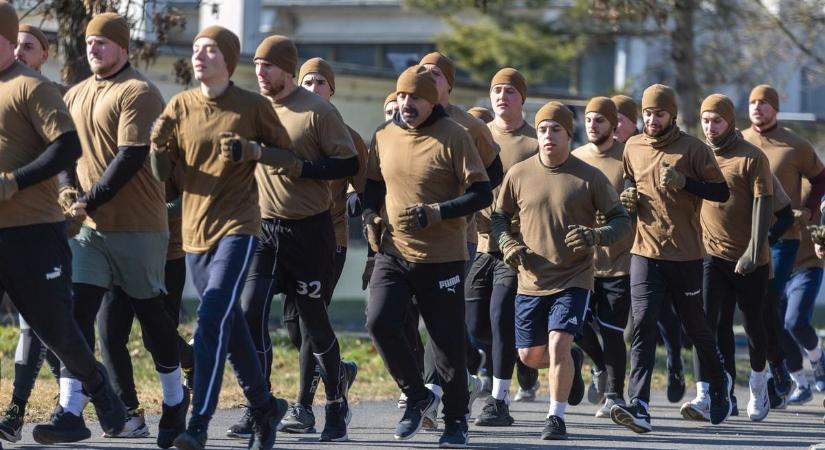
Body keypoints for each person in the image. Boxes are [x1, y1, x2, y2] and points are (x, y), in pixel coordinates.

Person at [33, 13, 187, 447]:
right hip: (89, 231)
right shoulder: (76, 92)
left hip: (137, 226)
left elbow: (130, 157)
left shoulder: (139, 91)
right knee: (76, 315)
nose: (93, 49)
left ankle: (175, 402)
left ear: (123, 47)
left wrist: (87, 200)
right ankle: (70, 410)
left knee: (152, 317)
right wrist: (67, 193)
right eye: (90, 42)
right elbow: (63, 151)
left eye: (103, 42)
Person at [149, 25, 292, 450]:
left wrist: (254, 152)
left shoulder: (250, 106)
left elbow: (290, 158)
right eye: (195, 49)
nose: (199, 56)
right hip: (194, 233)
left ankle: (199, 423)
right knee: (228, 325)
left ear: (228, 59)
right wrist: (158, 149)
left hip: (239, 227)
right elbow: (162, 178)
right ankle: (265, 406)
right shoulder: (179, 105)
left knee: (210, 317)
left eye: (209, 49)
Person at [0, 1, 126, 443]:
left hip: (34, 235)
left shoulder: (32, 88)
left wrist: (14, 182)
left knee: (57, 331)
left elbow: (67, 148)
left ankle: (104, 399)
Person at [232, 35, 359, 443]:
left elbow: (348, 162)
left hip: (309, 230)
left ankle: (335, 405)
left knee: (313, 323)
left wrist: (302, 169)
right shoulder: (253, 109)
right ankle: (261, 405)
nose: (260, 72)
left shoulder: (317, 111)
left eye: (267, 65)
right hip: (263, 230)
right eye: (256, 65)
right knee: (250, 311)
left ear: (287, 68)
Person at [364, 65, 492, 448]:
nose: (406, 104)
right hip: (393, 251)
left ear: (431, 100)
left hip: (442, 257)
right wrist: (371, 215)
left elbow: (481, 193)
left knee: (447, 343)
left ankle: (455, 420)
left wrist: (438, 212)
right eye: (401, 96)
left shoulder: (454, 135)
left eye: (414, 98)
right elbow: (372, 185)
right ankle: (417, 395)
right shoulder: (384, 135)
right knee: (379, 322)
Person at [491, 100, 631, 440]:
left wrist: (596, 236)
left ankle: (556, 417)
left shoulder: (590, 177)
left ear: (569, 135)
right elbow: (499, 217)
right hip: (531, 278)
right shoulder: (519, 173)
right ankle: (573, 362)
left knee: (557, 344)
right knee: (529, 355)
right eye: (542, 130)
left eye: (556, 129)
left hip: (574, 276)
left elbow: (620, 220)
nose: (548, 135)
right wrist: (507, 244)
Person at [611, 84, 732, 434]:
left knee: (696, 329)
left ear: (672, 116)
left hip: (686, 255)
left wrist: (685, 183)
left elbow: (721, 191)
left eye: (658, 114)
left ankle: (720, 383)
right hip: (644, 252)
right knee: (643, 326)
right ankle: (640, 405)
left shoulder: (693, 149)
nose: (651, 119)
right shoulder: (632, 146)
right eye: (647, 113)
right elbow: (630, 182)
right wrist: (628, 197)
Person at [266, 56, 367, 435]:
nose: (313, 87)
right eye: (307, 80)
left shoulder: (344, 132)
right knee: (294, 326)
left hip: (331, 239)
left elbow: (364, 183)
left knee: (310, 324)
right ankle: (338, 373)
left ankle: (303, 407)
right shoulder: (285, 123)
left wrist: (360, 200)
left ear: (332, 90)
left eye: (321, 82)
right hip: (283, 236)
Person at [419, 51, 503, 430]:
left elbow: (494, 173)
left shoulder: (469, 126)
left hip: (459, 237)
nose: (426, 77)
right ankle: (469, 360)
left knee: (439, 315)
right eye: (421, 71)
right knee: (428, 317)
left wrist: (462, 202)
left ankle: (429, 396)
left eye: (434, 73)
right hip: (409, 238)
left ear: (448, 84)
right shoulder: (406, 119)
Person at [683, 94, 774, 422]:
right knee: (703, 323)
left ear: (730, 121)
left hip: (751, 257)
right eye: (705, 120)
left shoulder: (752, 156)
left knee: (752, 325)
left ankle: (759, 380)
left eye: (716, 120)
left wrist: (753, 249)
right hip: (710, 254)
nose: (710, 127)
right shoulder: (698, 154)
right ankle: (704, 393)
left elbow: (764, 202)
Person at [742, 84, 825, 407]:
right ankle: (796, 376)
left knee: (790, 318)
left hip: (791, 242)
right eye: (752, 103)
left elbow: (821, 178)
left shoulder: (795, 145)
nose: (757, 108)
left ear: (775, 108)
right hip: (750, 239)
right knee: (770, 315)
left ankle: (815, 362)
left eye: (764, 103)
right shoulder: (740, 142)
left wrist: (808, 210)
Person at [467, 68, 540, 428]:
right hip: (481, 244)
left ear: (521, 98)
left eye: (509, 91)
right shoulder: (478, 134)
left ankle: (498, 401)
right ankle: (526, 357)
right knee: (475, 322)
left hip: (518, 250)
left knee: (499, 318)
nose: (501, 97)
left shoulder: (534, 141)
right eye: (496, 90)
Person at [0, 22, 63, 443]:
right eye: (15, 44)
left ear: (44, 55)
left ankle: (21, 411)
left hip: (48, 226)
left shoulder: (48, 95)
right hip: (9, 226)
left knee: (43, 324)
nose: (20, 52)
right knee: (41, 324)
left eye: (29, 46)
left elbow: (67, 157)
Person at [571, 96, 634, 418]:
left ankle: (614, 395)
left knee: (611, 331)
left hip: (618, 260)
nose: (593, 125)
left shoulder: (629, 158)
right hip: (579, 262)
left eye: (600, 120)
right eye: (589, 119)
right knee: (575, 325)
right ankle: (597, 364)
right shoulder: (576, 157)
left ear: (613, 124)